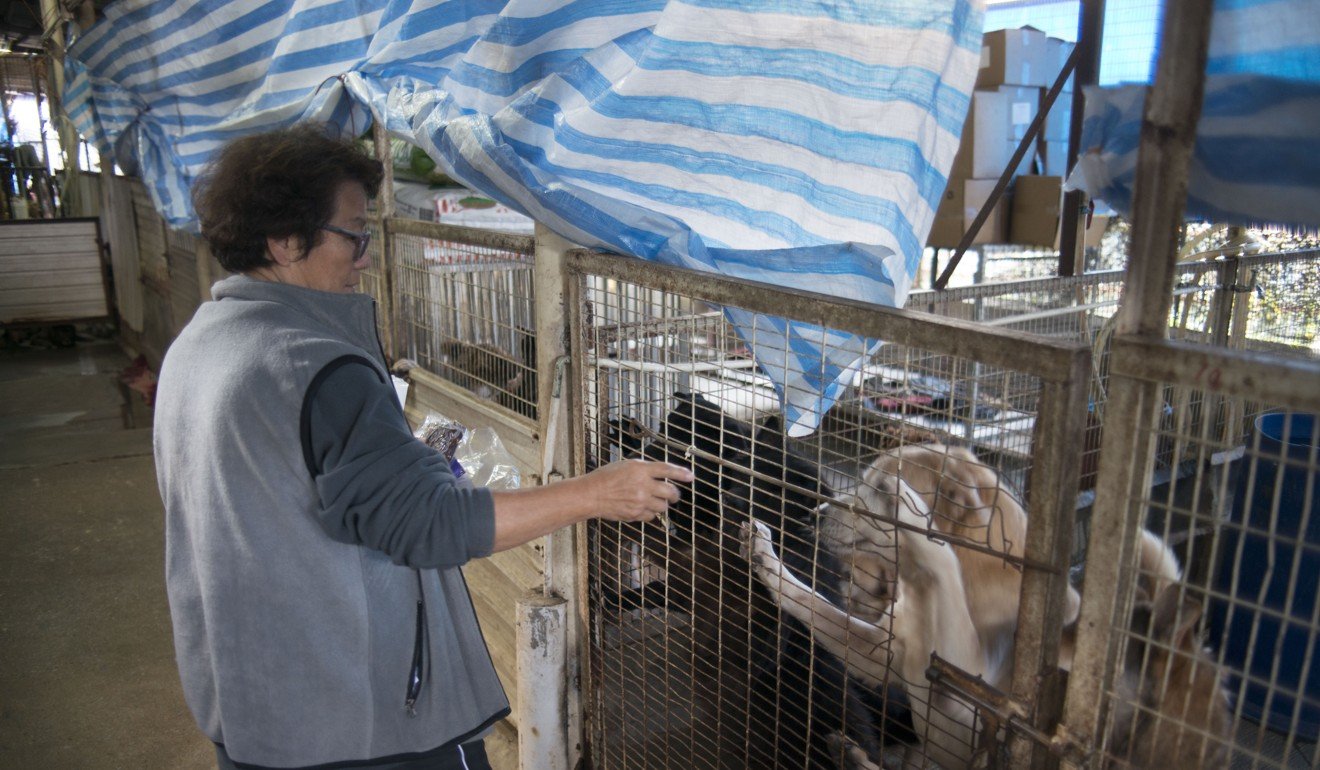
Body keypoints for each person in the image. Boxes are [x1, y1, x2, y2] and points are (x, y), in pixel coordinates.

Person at [153, 124, 692, 770]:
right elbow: (432, 524)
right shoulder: (321, 369)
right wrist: (598, 492)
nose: (365, 256)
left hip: (251, 711)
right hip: (361, 724)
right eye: (353, 234)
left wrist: (397, 465)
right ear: (283, 240)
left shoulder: (198, 345)